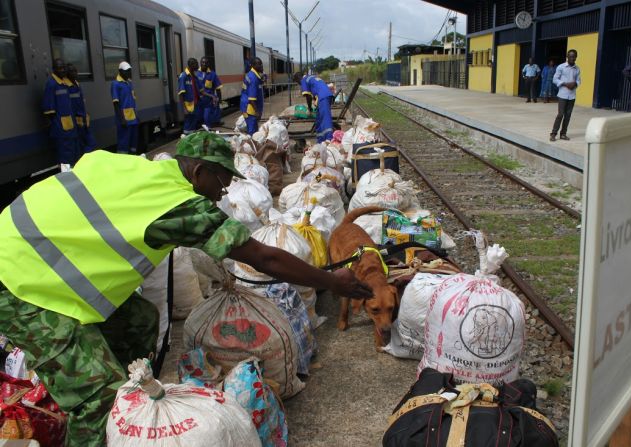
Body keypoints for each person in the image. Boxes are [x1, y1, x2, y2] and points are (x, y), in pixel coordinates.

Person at [0, 133, 372, 447]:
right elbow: (263, 258)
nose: (225, 190)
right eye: (222, 181)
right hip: (21, 284)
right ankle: (93, 415)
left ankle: (124, 401)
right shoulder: (179, 205)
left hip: (26, 246)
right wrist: (331, 281)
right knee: (95, 399)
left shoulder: (135, 166)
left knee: (141, 320)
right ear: (198, 171)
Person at [42, 58, 80, 166]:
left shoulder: (63, 83)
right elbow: (48, 108)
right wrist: (54, 126)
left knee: (73, 154)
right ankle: (67, 178)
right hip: (60, 128)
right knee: (64, 157)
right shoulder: (51, 84)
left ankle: (73, 176)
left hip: (70, 127)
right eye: (60, 68)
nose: (63, 70)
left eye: (64, 68)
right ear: (54, 69)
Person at [293, 71, 334, 142]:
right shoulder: (311, 77)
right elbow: (316, 89)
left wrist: (309, 109)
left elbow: (308, 96)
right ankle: (321, 140)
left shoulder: (303, 80)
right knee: (319, 120)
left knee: (325, 118)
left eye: (297, 82)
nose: (298, 84)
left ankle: (329, 139)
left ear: (298, 78)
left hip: (323, 97)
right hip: (325, 96)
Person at [550, 49, 581, 142]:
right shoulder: (561, 67)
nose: (572, 58)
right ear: (567, 57)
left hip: (572, 95)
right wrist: (565, 84)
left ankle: (563, 134)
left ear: (576, 57)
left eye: (574, 56)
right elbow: (555, 79)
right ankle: (553, 134)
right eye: (570, 56)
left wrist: (575, 84)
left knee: (568, 115)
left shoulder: (577, 68)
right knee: (560, 114)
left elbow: (579, 80)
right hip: (563, 94)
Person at [66, 63, 97, 156]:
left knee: (91, 143)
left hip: (83, 120)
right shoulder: (66, 86)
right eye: (72, 71)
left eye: (75, 71)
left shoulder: (77, 84)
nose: (75, 73)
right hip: (75, 122)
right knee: (79, 146)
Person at [110, 61, 139, 154]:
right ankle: (123, 162)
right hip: (124, 119)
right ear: (120, 71)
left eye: (129, 71)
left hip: (133, 118)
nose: (128, 73)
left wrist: (136, 116)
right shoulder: (115, 84)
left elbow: (132, 101)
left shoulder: (129, 83)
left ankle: (133, 159)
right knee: (124, 143)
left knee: (133, 143)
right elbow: (116, 104)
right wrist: (121, 119)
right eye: (126, 71)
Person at [196, 57, 223, 128]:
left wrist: (219, 100)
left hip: (208, 101)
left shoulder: (212, 74)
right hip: (198, 101)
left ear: (208, 64)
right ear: (200, 63)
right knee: (198, 119)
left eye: (206, 63)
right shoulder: (196, 73)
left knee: (207, 118)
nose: (204, 64)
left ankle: (208, 130)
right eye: (203, 62)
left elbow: (218, 88)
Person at [240, 57, 264, 135]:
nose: (261, 66)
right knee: (252, 132)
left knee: (254, 130)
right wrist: (257, 112)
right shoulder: (253, 78)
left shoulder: (253, 75)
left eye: (261, 64)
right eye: (259, 64)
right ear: (253, 65)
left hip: (249, 107)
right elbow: (251, 99)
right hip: (250, 109)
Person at [178, 58, 202, 135]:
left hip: (196, 105)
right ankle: (186, 139)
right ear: (191, 65)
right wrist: (184, 109)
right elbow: (181, 94)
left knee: (193, 126)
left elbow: (201, 90)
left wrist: (212, 96)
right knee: (188, 127)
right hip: (189, 106)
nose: (198, 66)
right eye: (196, 64)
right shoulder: (183, 76)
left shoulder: (194, 76)